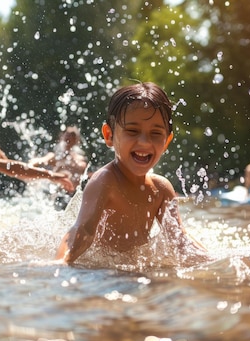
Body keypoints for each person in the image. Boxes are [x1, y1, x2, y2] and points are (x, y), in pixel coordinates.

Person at [54, 82, 208, 265]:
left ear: (166, 141)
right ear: (109, 135)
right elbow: (83, 229)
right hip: (101, 272)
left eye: (156, 133)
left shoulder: (161, 188)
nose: (144, 142)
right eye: (132, 131)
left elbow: (178, 237)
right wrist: (62, 262)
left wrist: (214, 262)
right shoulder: (105, 180)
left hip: (134, 269)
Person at [29, 126, 89, 209]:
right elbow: (37, 161)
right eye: (67, 135)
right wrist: (30, 167)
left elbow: (86, 175)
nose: (69, 137)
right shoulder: (55, 157)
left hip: (73, 196)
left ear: (76, 140)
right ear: (62, 138)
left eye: (72, 135)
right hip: (57, 194)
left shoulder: (80, 160)